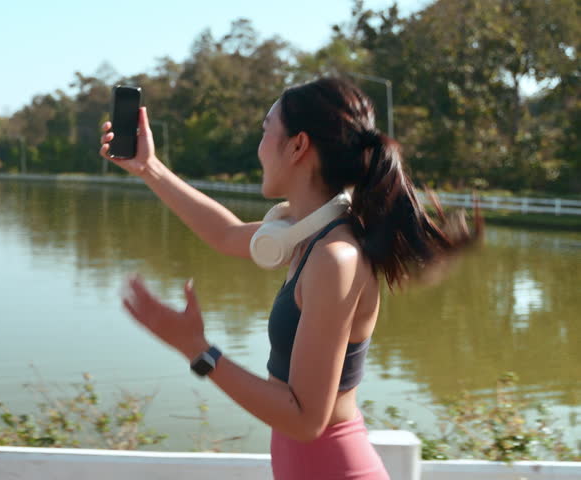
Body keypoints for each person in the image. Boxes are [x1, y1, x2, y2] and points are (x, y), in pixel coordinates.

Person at [98, 76, 482, 479]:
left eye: (266, 131)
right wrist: (149, 168)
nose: (259, 147)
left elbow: (305, 420)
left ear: (298, 146)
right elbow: (226, 234)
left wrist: (198, 350)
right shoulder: (307, 235)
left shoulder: (335, 257)